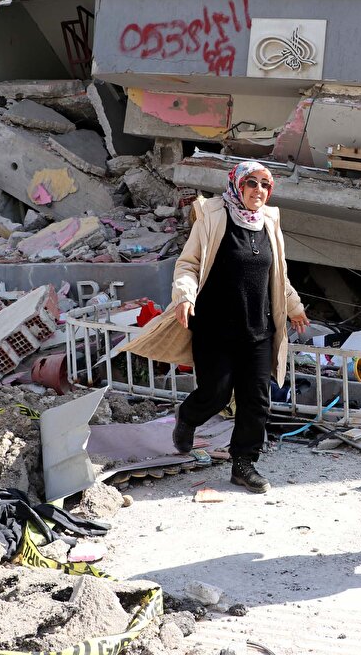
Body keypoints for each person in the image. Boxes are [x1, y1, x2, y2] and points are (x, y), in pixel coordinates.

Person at [121, 160, 308, 493]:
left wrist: (294, 307)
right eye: (252, 183)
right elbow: (188, 265)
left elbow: (278, 274)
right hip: (215, 328)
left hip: (258, 330)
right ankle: (188, 417)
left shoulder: (269, 222)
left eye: (266, 184)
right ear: (237, 184)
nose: (259, 190)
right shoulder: (213, 217)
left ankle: (243, 464)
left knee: (256, 400)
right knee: (216, 392)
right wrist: (184, 297)